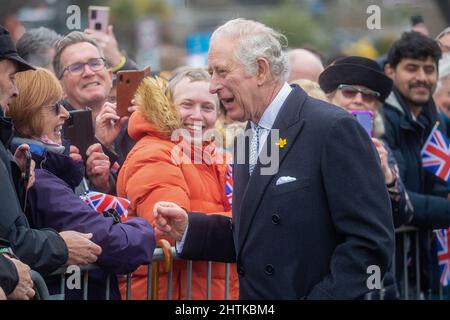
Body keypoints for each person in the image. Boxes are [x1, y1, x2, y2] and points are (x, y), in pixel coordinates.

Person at [153, 18, 395, 300]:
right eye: (211, 73)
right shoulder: (248, 136)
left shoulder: (331, 128)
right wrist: (190, 229)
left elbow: (370, 244)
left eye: (221, 72)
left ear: (260, 70)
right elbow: (259, 232)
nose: (213, 86)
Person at [7, 67, 156, 299]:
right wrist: (143, 227)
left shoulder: (41, 169)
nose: (65, 114)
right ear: (29, 113)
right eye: (55, 106)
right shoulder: (40, 180)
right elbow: (111, 242)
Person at [117, 68, 239, 300]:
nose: (197, 115)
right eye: (187, 104)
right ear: (168, 106)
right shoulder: (153, 151)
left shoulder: (219, 158)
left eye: (207, 107)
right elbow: (169, 229)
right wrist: (244, 224)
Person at [0, 25, 101, 277]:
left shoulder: (24, 160)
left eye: (96, 63)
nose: (14, 90)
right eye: (55, 106)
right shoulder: (39, 173)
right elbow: (12, 241)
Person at [381, 31, 449, 296]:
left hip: (421, 263)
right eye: (411, 68)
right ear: (390, 71)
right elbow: (399, 198)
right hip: (389, 267)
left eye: (429, 69)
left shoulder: (434, 119)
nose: (422, 77)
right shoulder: (380, 120)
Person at [318, 56, 413, 228]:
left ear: (374, 108)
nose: (358, 100)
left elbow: (403, 215)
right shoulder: (314, 139)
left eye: (368, 96)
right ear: (331, 98)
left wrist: (387, 176)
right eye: (349, 91)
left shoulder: (380, 149)